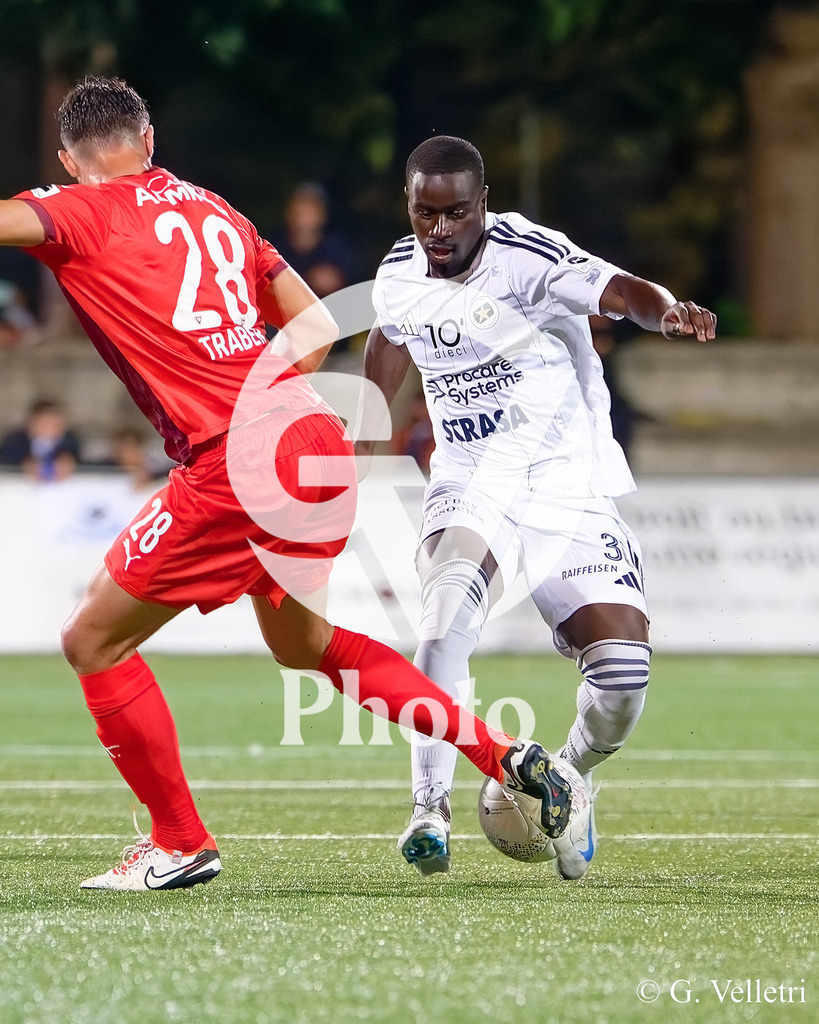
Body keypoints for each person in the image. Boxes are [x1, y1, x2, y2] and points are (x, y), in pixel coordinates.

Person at [0, 79, 574, 891]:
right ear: (150, 136)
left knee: (90, 640)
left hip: (235, 461)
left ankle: (179, 841)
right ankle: (505, 755)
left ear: (67, 160)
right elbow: (312, 328)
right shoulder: (218, 210)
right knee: (304, 645)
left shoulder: (81, 208)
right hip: (308, 439)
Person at [360, 135, 716, 878]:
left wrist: (667, 311)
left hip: (565, 484)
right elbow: (389, 338)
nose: (440, 230)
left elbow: (619, 292)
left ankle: (569, 775)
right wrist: (368, 429)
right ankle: (430, 807)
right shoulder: (398, 270)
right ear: (410, 206)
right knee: (444, 610)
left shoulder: (527, 253)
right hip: (468, 479)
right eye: (426, 213)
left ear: (482, 205)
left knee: (622, 678)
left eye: (456, 212)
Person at [0, 399, 81, 481]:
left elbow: (82, 462)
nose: (51, 429)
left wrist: (69, 460)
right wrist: (22, 464)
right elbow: (6, 462)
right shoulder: (14, 442)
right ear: (31, 423)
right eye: (45, 424)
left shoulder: (70, 441)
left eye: (56, 424)